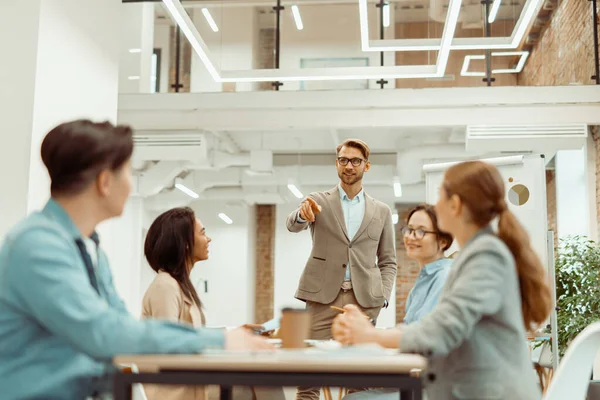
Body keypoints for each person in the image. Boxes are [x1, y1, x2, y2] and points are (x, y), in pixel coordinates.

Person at [0, 120, 271, 400]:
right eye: (128, 172)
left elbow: (118, 325)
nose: (131, 184)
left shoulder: (88, 248)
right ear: (105, 182)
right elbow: (104, 333)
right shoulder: (38, 246)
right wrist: (221, 341)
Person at [333, 160, 552, 400]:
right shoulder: (477, 254)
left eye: (440, 197)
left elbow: (440, 331)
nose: (436, 206)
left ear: (455, 205)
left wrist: (370, 335)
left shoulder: (487, 255)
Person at [286, 139, 397, 400]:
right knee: (308, 376)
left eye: (355, 161)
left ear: (366, 166)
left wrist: (383, 296)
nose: (349, 166)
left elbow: (388, 260)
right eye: (344, 160)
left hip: (364, 300)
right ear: (337, 164)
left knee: (360, 379)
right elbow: (292, 225)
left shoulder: (381, 211)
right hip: (321, 296)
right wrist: (303, 214)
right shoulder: (316, 201)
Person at [141, 207, 285, 400]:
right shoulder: (165, 286)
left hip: (192, 380)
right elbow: (170, 346)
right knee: (262, 383)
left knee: (264, 380)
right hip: (179, 390)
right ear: (185, 244)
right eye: (202, 233)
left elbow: (189, 334)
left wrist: (234, 332)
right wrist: (225, 344)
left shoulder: (177, 285)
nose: (208, 239)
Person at [401, 204, 453, 325]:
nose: (410, 237)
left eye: (421, 231)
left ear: (443, 241)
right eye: (409, 229)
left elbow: (423, 334)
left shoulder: (445, 277)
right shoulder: (421, 283)